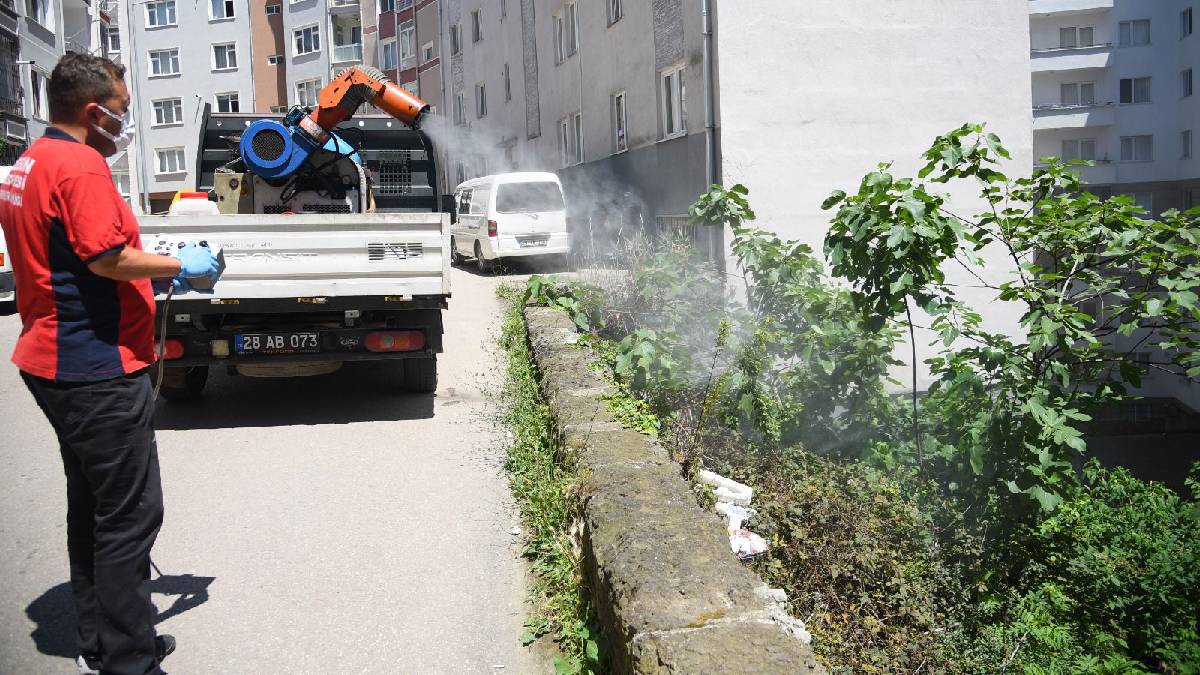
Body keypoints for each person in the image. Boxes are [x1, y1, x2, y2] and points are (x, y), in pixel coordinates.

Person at [0, 53, 219, 674]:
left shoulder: (32, 160)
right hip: (94, 367)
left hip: (54, 356)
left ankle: (105, 638)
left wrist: (151, 270)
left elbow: (75, 256)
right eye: (122, 109)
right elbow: (105, 259)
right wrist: (181, 266)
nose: (125, 121)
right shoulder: (79, 167)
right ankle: (130, 662)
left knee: (93, 506)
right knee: (130, 514)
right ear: (94, 111)